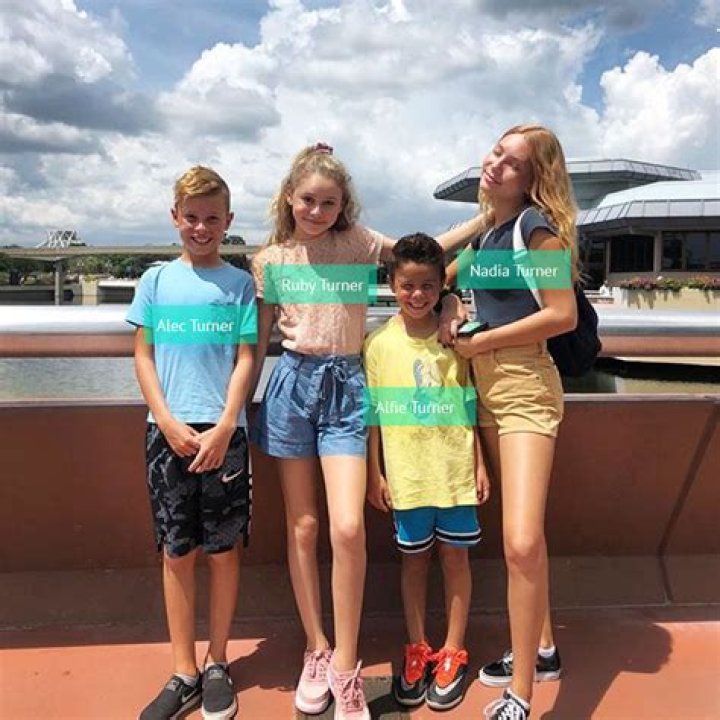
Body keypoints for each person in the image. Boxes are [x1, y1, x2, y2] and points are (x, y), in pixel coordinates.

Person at [250, 143, 483, 720]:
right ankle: (317, 647)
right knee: (304, 527)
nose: (317, 211)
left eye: (329, 202)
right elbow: (258, 339)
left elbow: (422, 255)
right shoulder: (270, 259)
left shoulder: (356, 242)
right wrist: (237, 410)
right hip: (291, 385)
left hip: (346, 386)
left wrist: (482, 227)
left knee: (348, 528)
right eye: (308, 199)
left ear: (343, 205)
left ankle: (346, 663)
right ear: (290, 197)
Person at [439, 124, 577, 720]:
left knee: (520, 539)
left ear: (534, 178)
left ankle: (521, 692)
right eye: (496, 152)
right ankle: (542, 650)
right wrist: (452, 307)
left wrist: (483, 340)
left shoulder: (535, 231)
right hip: (486, 385)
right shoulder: (491, 232)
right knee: (523, 537)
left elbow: (563, 314)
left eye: (513, 163)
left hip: (524, 385)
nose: (496, 164)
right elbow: (438, 271)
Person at [127, 166, 256, 720]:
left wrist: (226, 424)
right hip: (168, 434)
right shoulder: (155, 281)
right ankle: (184, 670)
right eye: (191, 218)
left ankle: (217, 661)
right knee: (177, 552)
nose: (201, 228)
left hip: (225, 434)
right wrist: (166, 419)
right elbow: (143, 355)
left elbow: (246, 358)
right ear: (175, 218)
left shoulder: (239, 285)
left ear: (227, 222)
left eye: (212, 219)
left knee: (223, 552)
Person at [364, 233, 490, 711]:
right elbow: (373, 416)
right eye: (407, 285)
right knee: (413, 562)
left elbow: (469, 403)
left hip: (454, 470)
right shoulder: (378, 344)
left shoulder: (455, 339)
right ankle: (417, 647)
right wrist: (374, 472)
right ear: (392, 284)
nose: (417, 295)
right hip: (407, 474)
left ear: (442, 286)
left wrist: (479, 462)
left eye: (428, 286)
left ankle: (454, 650)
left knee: (456, 560)